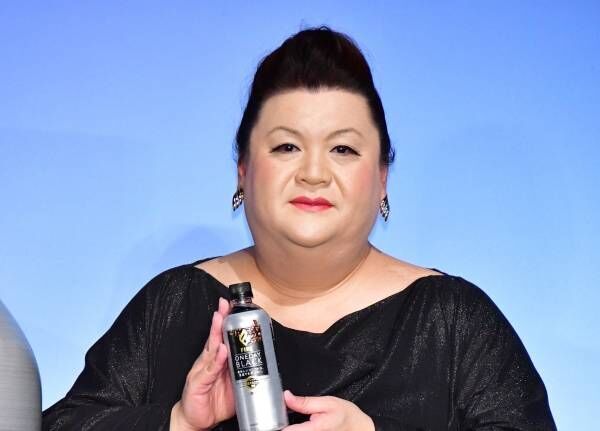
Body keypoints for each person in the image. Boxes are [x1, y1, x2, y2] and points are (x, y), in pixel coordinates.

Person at [42, 26, 556, 431]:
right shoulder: (174, 304)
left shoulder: (453, 319)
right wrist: (179, 422)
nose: (313, 172)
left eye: (343, 149)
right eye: (287, 146)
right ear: (243, 169)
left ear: (382, 178)